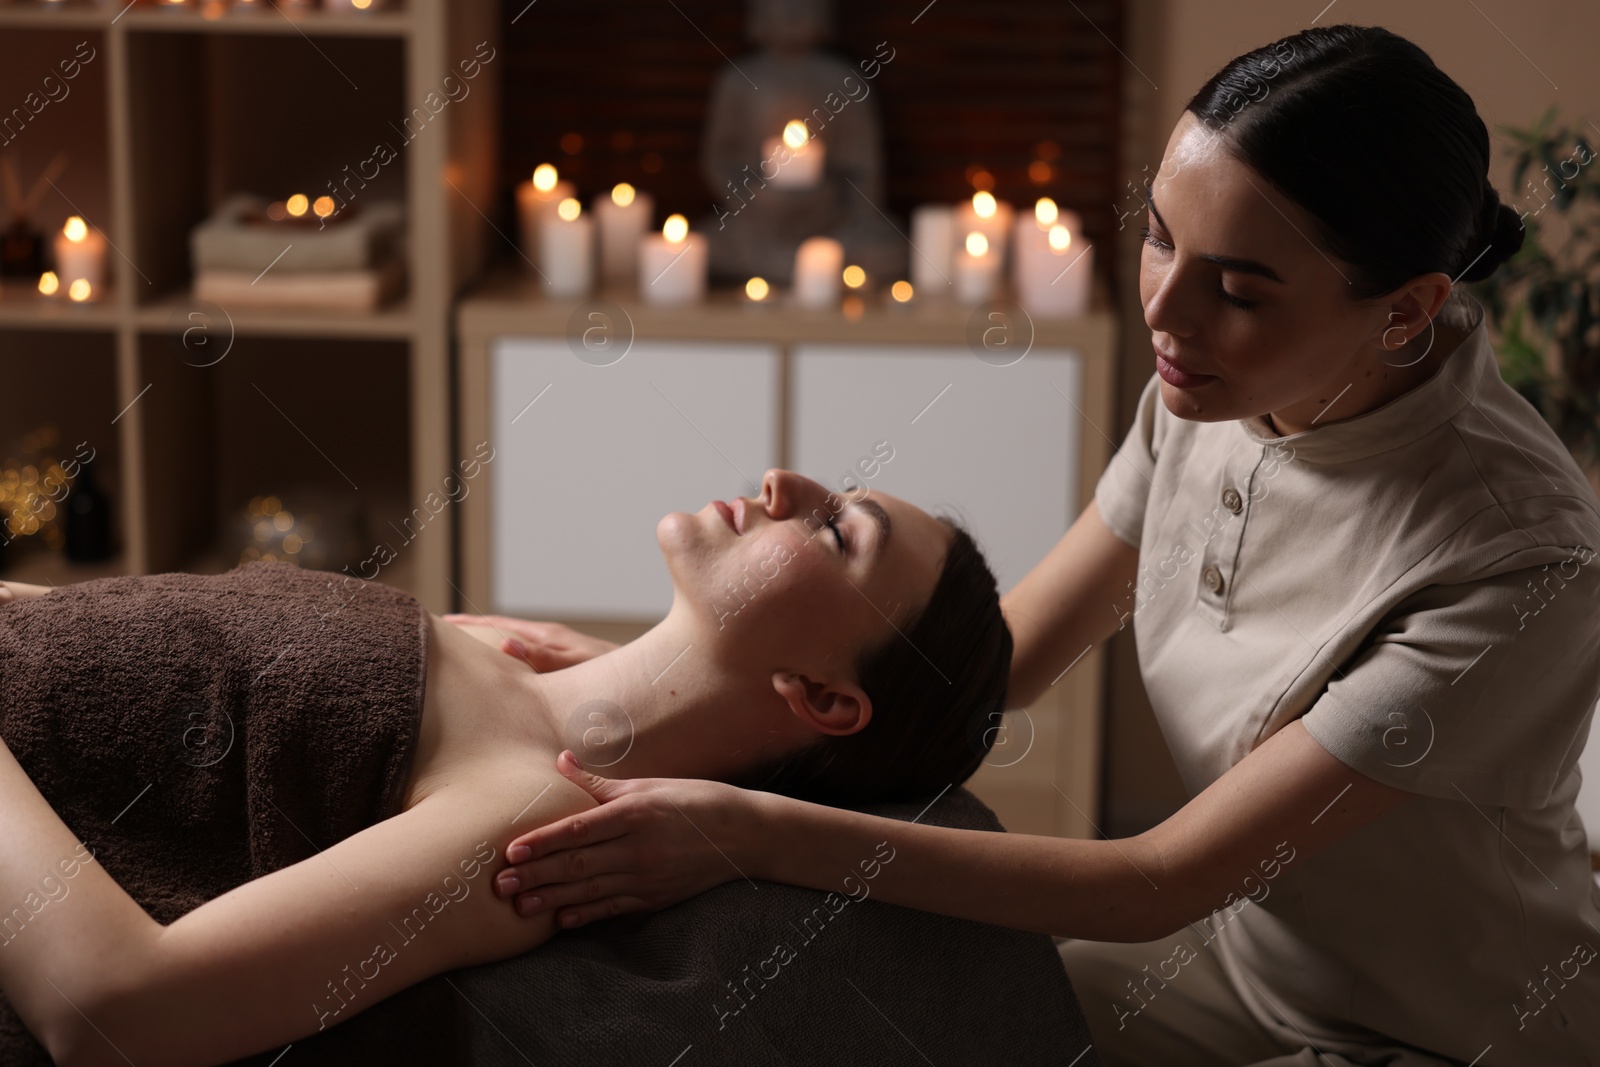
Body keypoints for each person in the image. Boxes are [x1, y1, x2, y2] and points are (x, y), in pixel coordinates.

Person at [468, 24, 1600, 1067]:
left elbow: (1159, 877)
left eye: (1238, 289)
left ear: (1406, 308)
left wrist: (743, 830)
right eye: (1159, 238)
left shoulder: (1515, 560)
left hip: (1449, 1032)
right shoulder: (1208, 394)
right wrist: (658, 697)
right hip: (1232, 968)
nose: (1166, 312)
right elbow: (981, 672)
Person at [0, 469, 1012, 1067]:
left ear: (825, 697)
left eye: (837, 530)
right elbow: (108, 632)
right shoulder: (489, 647)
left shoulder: (527, 812)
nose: (789, 483)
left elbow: (116, 1007)